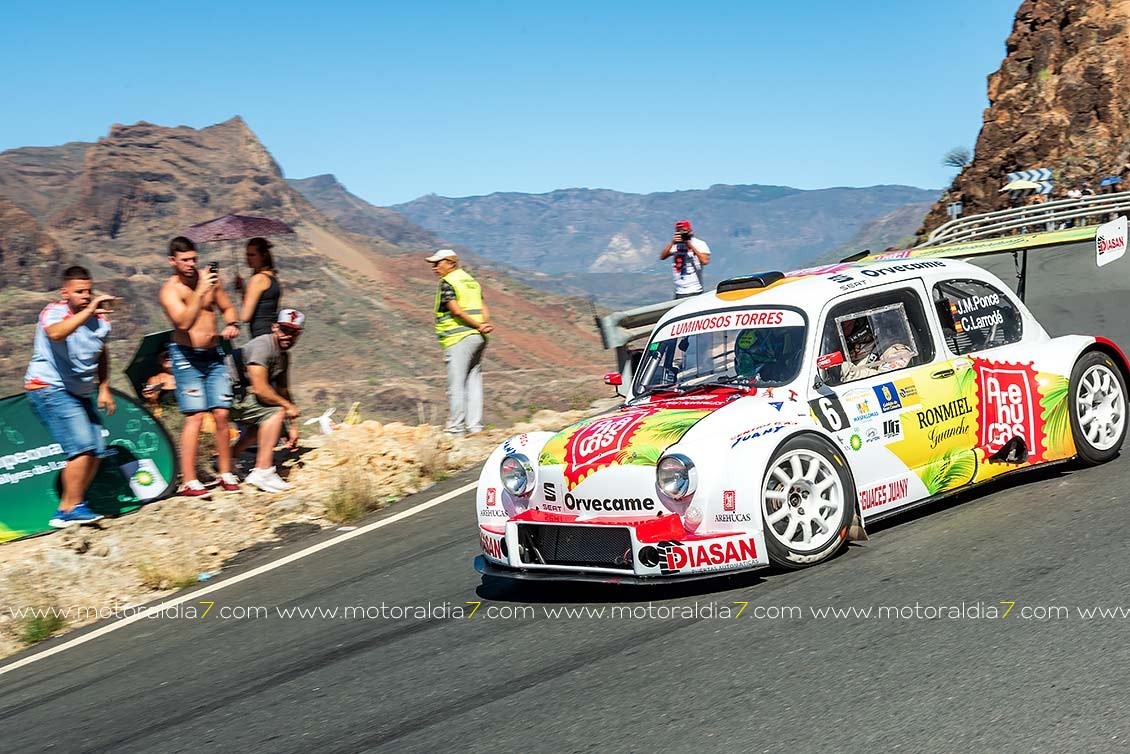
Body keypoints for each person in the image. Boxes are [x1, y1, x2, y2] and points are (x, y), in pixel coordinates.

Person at [24, 266, 117, 527]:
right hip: (49, 386)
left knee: (97, 449)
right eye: (79, 292)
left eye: (89, 291)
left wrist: (105, 386)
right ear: (65, 292)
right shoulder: (53, 312)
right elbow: (56, 333)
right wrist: (88, 312)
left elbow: (101, 353)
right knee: (81, 446)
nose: (86, 296)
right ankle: (73, 508)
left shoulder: (101, 321)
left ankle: (67, 508)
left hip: (80, 391)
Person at [159, 236, 241, 495]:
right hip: (185, 356)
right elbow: (183, 323)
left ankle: (226, 472)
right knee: (194, 416)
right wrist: (200, 290)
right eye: (185, 260)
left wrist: (232, 324)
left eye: (194, 259)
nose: (191, 264)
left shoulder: (210, 282)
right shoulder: (169, 291)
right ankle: (189, 480)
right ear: (172, 261)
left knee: (221, 414)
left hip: (213, 354)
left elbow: (228, 308)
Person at [226, 309, 304, 492]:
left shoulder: (283, 356)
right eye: (284, 330)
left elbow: (284, 390)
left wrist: (293, 427)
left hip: (241, 394)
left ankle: (230, 457)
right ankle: (263, 471)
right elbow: (261, 390)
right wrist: (287, 408)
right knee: (275, 412)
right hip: (227, 394)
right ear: (275, 327)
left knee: (265, 418)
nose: (288, 336)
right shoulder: (264, 346)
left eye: (293, 332)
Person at [428, 249, 492, 435]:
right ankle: (475, 426)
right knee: (473, 380)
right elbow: (483, 307)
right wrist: (483, 324)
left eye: (437, 263)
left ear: (450, 263)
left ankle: (456, 428)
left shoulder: (448, 282)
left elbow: (455, 310)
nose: (434, 268)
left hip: (458, 337)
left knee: (456, 384)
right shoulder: (471, 281)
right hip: (478, 338)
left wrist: (477, 325)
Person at [839, 316, 914, 382]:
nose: (841, 328)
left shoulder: (895, 350)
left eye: (845, 323)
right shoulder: (841, 346)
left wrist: (845, 370)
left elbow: (888, 379)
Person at [236, 237, 281, 338]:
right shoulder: (272, 277)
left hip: (261, 336)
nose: (248, 258)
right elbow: (259, 306)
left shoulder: (258, 279)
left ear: (263, 256)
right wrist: (243, 290)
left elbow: (245, 317)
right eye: (247, 255)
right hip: (272, 334)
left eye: (252, 255)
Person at [659, 220, 711, 299]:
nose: (681, 232)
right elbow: (662, 257)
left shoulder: (699, 244)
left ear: (690, 231)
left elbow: (705, 261)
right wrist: (672, 242)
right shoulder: (676, 245)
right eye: (678, 231)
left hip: (694, 290)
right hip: (679, 291)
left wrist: (690, 245)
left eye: (683, 230)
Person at [142, 349, 177, 417]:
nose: (168, 358)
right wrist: (151, 397)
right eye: (164, 356)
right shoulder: (155, 380)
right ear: (159, 360)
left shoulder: (189, 377)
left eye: (171, 355)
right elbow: (152, 401)